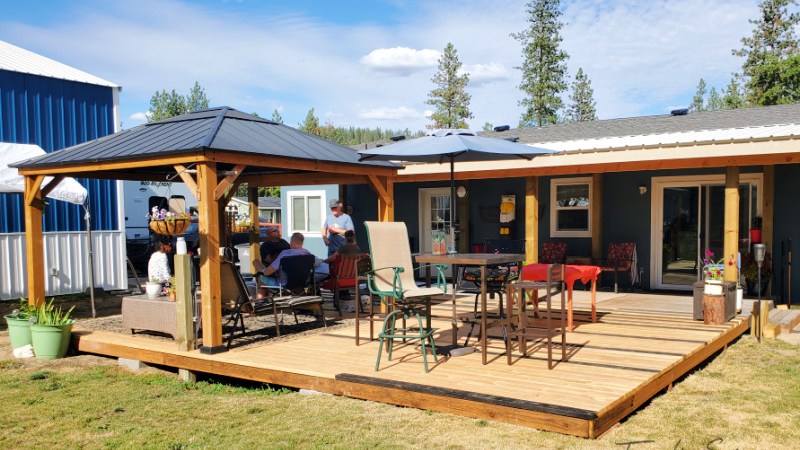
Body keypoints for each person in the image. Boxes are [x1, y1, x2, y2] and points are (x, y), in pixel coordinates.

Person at [253, 232, 324, 288]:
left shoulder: (285, 254)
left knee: (261, 277)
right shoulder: (308, 254)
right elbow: (319, 263)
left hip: (284, 284)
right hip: (302, 283)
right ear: (302, 242)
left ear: (291, 242)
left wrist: (260, 268)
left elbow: (267, 272)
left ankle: (260, 300)